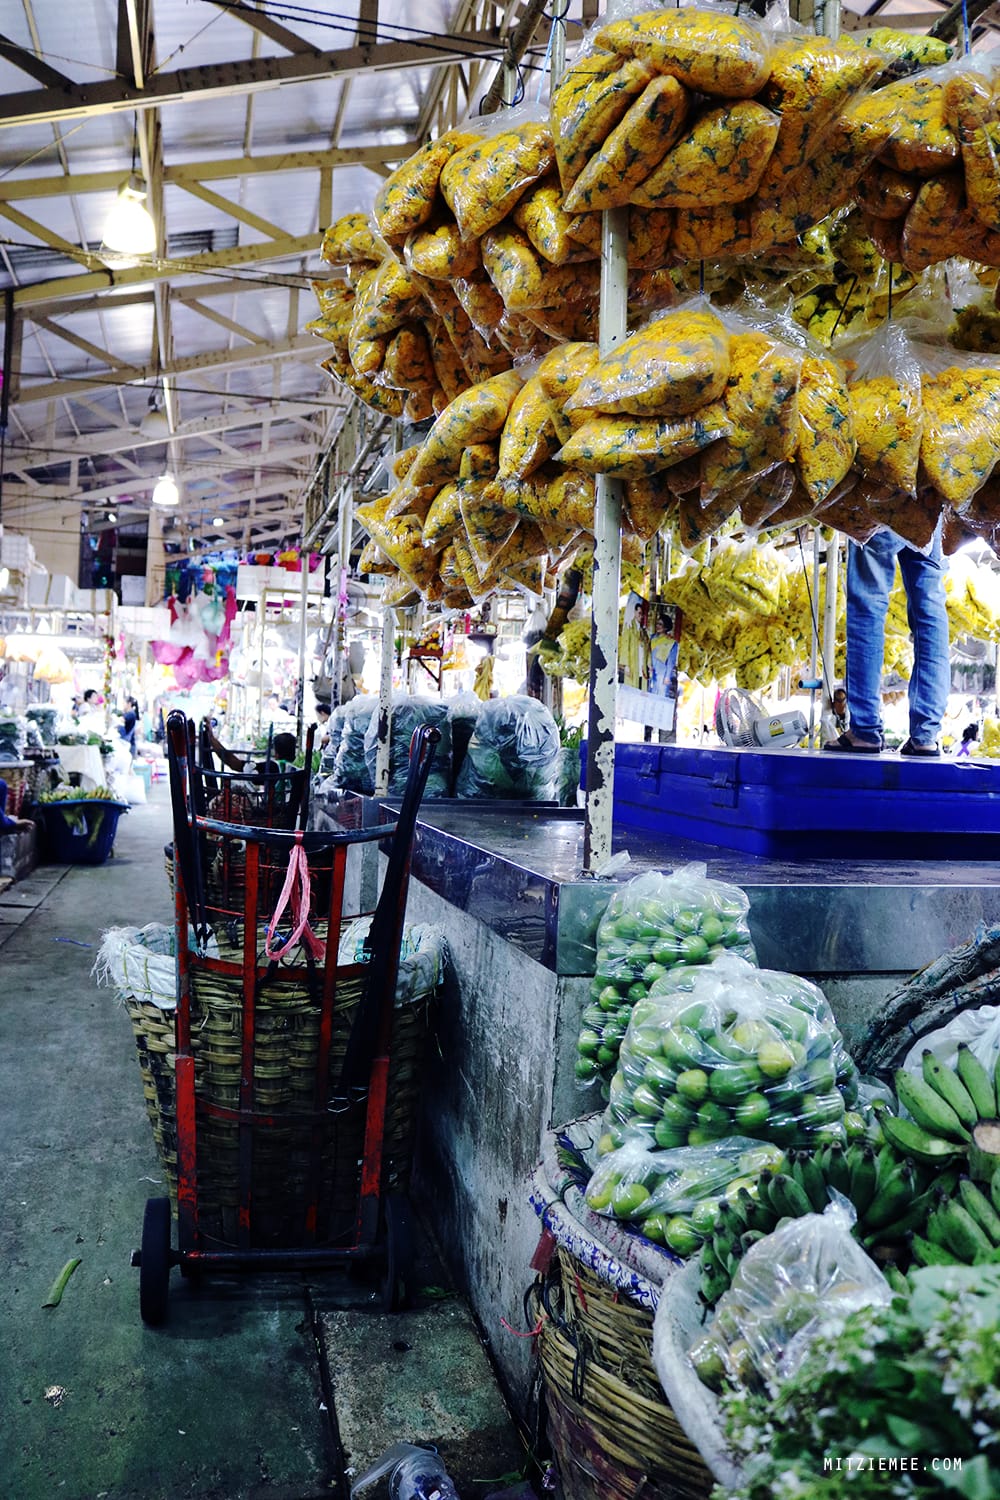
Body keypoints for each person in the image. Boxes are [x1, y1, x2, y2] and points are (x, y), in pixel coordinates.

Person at [825, 526, 951, 757]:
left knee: (868, 603)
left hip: (886, 499)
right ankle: (926, 736)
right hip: (935, 503)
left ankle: (864, 730)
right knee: (930, 608)